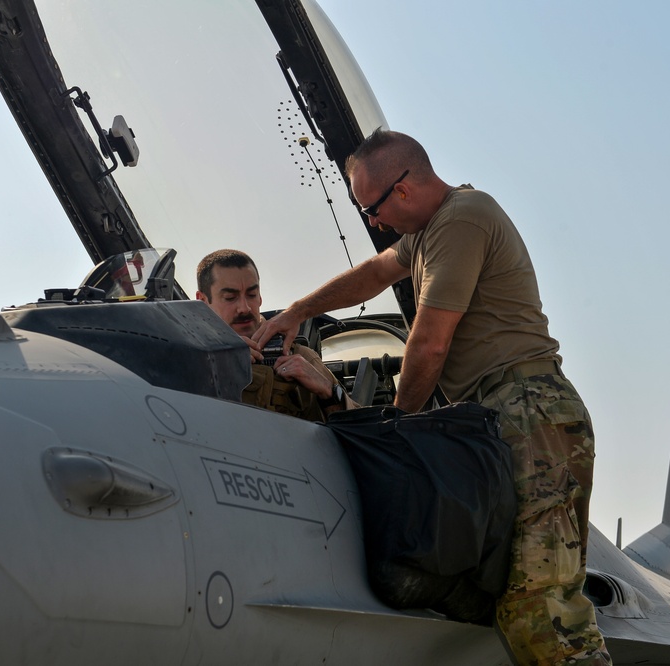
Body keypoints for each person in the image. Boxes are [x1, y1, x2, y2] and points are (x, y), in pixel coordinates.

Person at [253, 129, 611, 665]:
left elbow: (429, 341)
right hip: (493, 419)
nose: (372, 223)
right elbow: (374, 274)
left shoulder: (463, 217)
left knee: (543, 608)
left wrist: (397, 429)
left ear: (402, 190)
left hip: (530, 411)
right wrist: (299, 310)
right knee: (490, 595)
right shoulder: (426, 233)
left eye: (371, 208)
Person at [196, 249, 352, 420]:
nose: (245, 308)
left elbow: (362, 430)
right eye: (230, 297)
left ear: (260, 297)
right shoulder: (189, 359)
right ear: (203, 301)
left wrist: (328, 391)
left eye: (251, 295)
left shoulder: (300, 356)